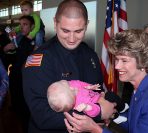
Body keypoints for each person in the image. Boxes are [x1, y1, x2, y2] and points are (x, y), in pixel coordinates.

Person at [22, 0, 116, 133]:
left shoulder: (90, 55)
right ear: (55, 23)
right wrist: (99, 114)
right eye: (65, 31)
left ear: (86, 25)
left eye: (78, 31)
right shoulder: (39, 60)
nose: (72, 39)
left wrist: (106, 106)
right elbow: (42, 116)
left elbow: (94, 92)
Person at [64, 29, 148, 133]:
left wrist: (95, 129)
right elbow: (133, 125)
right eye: (117, 59)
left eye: (124, 61)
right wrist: (110, 116)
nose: (117, 66)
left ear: (143, 62)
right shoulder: (140, 88)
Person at [4, 15, 35, 133]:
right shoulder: (18, 39)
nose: (22, 27)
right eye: (20, 24)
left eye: (25, 24)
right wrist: (6, 49)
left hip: (25, 77)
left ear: (32, 27)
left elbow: (27, 58)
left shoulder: (32, 41)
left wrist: (16, 47)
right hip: (15, 74)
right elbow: (11, 58)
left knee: (23, 106)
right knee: (15, 95)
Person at [47, 80, 128, 123]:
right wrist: (87, 108)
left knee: (111, 95)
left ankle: (122, 107)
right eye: (72, 93)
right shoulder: (80, 104)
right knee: (109, 113)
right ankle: (116, 118)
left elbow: (79, 83)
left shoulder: (71, 85)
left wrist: (89, 87)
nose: (73, 88)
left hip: (98, 96)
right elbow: (96, 112)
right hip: (97, 107)